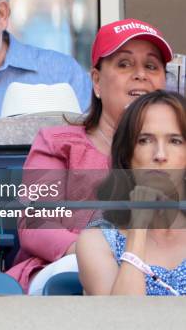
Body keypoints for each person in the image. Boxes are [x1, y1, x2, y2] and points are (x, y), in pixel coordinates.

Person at [7, 18, 173, 294]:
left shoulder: (177, 151)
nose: (141, 74)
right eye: (124, 64)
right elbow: (36, 223)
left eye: (151, 66)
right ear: (96, 81)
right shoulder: (58, 143)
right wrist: (96, 255)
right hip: (66, 272)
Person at [77, 90, 186, 295]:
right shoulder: (97, 240)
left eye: (175, 141)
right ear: (127, 154)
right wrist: (138, 229)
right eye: (144, 140)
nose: (160, 155)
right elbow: (123, 321)